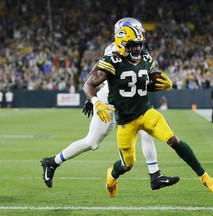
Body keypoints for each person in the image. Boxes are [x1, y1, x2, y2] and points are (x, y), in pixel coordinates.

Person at [83, 25, 213, 197]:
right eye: (133, 45)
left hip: (146, 112)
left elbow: (143, 84)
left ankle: (205, 177)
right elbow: (88, 84)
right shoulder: (112, 61)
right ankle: (112, 175)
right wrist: (96, 102)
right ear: (121, 44)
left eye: (139, 44)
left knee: (173, 140)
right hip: (126, 120)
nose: (137, 48)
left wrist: (164, 84)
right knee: (127, 164)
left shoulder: (145, 58)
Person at [41, 17, 180, 190]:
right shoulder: (115, 50)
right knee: (92, 142)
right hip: (110, 100)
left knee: (145, 132)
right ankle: (52, 162)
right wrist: (93, 99)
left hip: (126, 100)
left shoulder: (137, 51)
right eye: (137, 31)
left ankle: (155, 175)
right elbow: (94, 75)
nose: (140, 36)